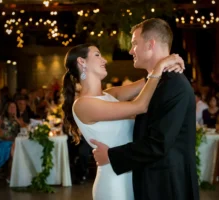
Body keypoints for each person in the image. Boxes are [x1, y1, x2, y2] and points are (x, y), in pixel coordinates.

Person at [90, 18, 199, 200]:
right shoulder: (160, 81)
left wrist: (112, 156)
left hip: (167, 185)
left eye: (134, 44)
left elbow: (159, 143)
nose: (131, 50)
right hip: (156, 179)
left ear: (150, 44)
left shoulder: (173, 85)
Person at [62, 42, 184, 199]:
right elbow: (140, 106)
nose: (104, 60)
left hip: (133, 175)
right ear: (82, 62)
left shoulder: (110, 95)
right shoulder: (83, 104)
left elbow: (148, 82)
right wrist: (161, 66)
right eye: (97, 55)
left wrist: (170, 64)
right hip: (114, 182)